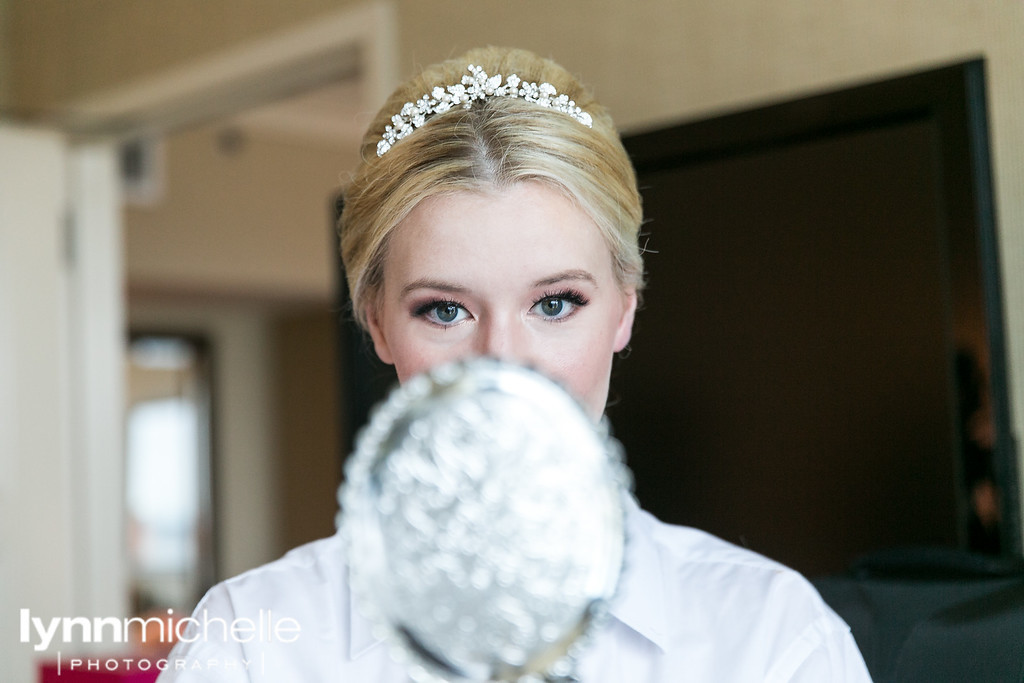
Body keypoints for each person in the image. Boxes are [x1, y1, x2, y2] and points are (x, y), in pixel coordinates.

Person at [158, 47, 872, 681]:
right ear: (375, 322)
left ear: (625, 306)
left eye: (556, 303)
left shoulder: (774, 641)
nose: (502, 368)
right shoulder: (249, 644)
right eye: (445, 309)